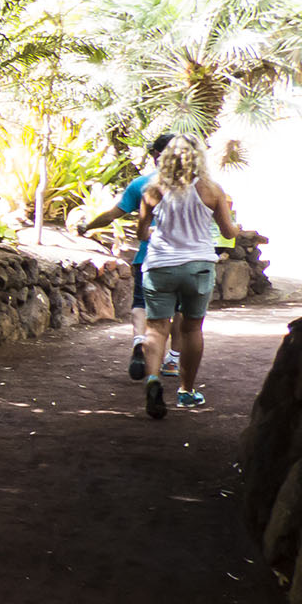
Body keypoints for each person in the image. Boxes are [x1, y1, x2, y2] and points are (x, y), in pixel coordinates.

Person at [136, 134, 239, 419]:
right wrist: (236, 227)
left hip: (160, 266)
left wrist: (155, 231)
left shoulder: (153, 189)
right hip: (199, 266)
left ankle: (153, 379)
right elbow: (229, 233)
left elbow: (141, 233)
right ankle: (186, 391)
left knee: (156, 329)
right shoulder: (211, 190)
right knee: (192, 329)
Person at [83, 134, 184, 381]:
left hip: (148, 257)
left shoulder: (141, 184)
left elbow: (111, 215)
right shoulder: (194, 185)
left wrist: (86, 227)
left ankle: (139, 342)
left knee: (141, 305)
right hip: (184, 257)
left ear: (155, 155)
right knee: (179, 310)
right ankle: (172, 360)